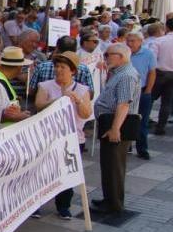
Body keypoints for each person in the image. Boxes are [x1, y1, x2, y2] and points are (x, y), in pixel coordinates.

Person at [35, 52, 92, 219]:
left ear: (72, 71)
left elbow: (85, 114)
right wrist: (59, 100)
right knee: (43, 172)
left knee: (67, 173)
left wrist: (78, 100)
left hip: (73, 138)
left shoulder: (82, 89)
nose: (58, 70)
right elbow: (39, 106)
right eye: (57, 66)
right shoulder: (45, 86)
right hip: (48, 138)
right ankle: (36, 204)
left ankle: (63, 206)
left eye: (63, 67)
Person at [93, 43, 140, 216]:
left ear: (120, 56)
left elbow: (123, 104)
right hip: (111, 121)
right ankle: (109, 198)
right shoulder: (119, 73)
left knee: (114, 165)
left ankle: (114, 204)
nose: (106, 58)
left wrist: (115, 129)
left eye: (108, 55)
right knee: (108, 164)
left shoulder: (126, 75)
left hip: (117, 123)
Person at [124, 31, 157, 160]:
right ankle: (126, 145)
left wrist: (148, 89)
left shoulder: (148, 54)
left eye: (133, 41)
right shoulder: (123, 52)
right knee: (125, 119)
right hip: (126, 90)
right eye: (128, 40)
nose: (130, 43)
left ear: (140, 42)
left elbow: (152, 72)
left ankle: (142, 148)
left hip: (142, 90)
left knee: (142, 121)